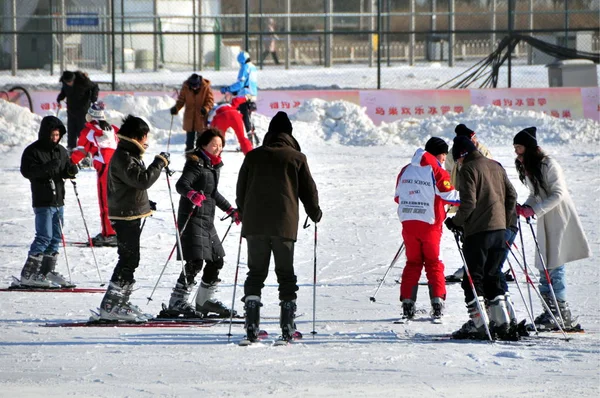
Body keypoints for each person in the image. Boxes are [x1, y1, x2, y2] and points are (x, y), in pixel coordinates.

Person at [236, 111, 322, 342]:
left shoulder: (252, 156)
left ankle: (251, 326)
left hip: (254, 225)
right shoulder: (296, 157)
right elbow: (309, 191)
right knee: (285, 274)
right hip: (284, 225)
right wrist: (315, 213)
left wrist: (244, 212)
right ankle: (287, 325)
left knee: (255, 273)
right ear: (289, 134)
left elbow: (240, 190)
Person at [513, 127, 590, 331]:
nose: (516, 153)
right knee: (544, 263)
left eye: (519, 148)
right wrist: (526, 207)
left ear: (529, 148)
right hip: (545, 218)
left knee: (555, 264)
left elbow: (558, 194)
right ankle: (550, 310)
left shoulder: (549, 164)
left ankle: (561, 313)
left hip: (558, 216)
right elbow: (535, 193)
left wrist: (535, 210)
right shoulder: (531, 167)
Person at [96, 115, 170, 322]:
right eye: (145, 136)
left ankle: (120, 302)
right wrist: (159, 162)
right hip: (124, 216)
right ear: (137, 136)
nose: (147, 140)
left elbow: (131, 187)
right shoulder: (125, 156)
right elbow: (142, 180)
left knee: (130, 259)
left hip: (129, 212)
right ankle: (112, 305)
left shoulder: (129, 153)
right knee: (128, 259)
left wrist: (145, 204)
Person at [160, 128, 240, 319]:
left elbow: (212, 193)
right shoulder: (195, 164)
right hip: (192, 217)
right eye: (214, 144)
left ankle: (205, 300)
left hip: (207, 220)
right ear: (203, 144)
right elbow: (182, 185)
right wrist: (192, 195)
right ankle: (177, 301)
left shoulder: (211, 166)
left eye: (220, 145)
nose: (218, 148)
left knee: (216, 259)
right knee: (195, 261)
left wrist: (230, 210)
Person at [445, 135, 517, 340]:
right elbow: (512, 196)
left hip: (478, 232)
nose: (457, 163)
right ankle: (502, 322)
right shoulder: (496, 165)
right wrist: (504, 217)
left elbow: (468, 204)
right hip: (501, 229)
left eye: (457, 159)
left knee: (472, 279)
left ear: (461, 155)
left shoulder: (468, 169)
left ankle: (479, 324)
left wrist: (455, 222)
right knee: (493, 275)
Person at [394, 137, 460, 322]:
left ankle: (407, 303)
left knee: (413, 263)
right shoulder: (436, 169)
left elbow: (398, 197)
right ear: (439, 154)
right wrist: (470, 197)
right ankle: (437, 302)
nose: (444, 159)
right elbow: (451, 196)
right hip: (430, 224)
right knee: (433, 262)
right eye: (444, 155)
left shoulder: (406, 170)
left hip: (408, 223)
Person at [18, 116, 79, 288]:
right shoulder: (33, 151)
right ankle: (29, 273)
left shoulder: (61, 150)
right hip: (43, 200)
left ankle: (46, 271)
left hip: (59, 200)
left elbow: (64, 171)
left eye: (58, 135)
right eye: (52, 135)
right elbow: (27, 172)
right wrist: (47, 168)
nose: (55, 138)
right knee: (44, 236)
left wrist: (70, 170)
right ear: (45, 133)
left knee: (55, 238)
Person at [445, 123, 493, 283]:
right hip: (463, 195)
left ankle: (482, 265)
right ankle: (469, 265)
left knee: (480, 233)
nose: (475, 140)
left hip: (481, 197)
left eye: (474, 137)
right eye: (472, 138)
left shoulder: (481, 150)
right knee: (466, 232)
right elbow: (447, 172)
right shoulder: (454, 152)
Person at [70, 102, 119, 247]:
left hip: (104, 167)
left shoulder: (89, 131)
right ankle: (113, 231)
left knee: (105, 202)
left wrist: (69, 163)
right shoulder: (112, 129)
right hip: (116, 167)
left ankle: (109, 234)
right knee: (114, 200)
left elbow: (81, 151)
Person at [220, 51, 258, 144]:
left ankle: (248, 142)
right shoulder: (253, 67)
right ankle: (254, 137)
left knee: (244, 117)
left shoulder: (245, 67)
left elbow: (240, 83)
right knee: (248, 117)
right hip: (252, 94)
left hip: (244, 95)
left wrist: (227, 89)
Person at [170, 73, 214, 152]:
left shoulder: (206, 87)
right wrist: (176, 108)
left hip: (201, 116)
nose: (194, 88)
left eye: (196, 86)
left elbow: (210, 101)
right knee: (189, 139)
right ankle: (189, 154)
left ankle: (201, 153)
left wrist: (205, 108)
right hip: (189, 117)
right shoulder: (186, 87)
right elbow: (181, 100)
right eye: (192, 86)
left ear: (199, 84)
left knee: (201, 137)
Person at [56, 70, 99, 150]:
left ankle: (85, 149)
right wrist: (60, 98)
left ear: (74, 79)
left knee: (82, 130)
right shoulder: (65, 83)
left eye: (70, 81)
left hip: (83, 110)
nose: (69, 83)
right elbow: (64, 91)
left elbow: (95, 87)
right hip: (71, 110)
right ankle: (71, 149)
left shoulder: (83, 81)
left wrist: (93, 98)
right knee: (71, 130)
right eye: (67, 82)